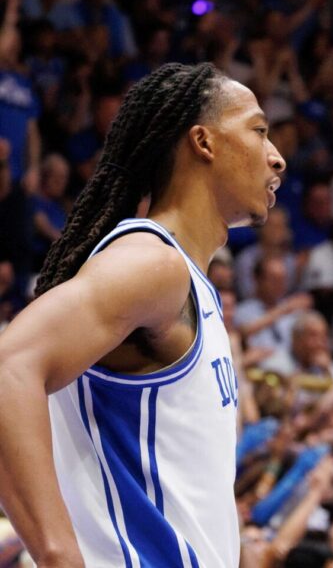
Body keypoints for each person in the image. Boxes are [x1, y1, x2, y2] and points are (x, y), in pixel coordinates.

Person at [0, 62, 285, 566]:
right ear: (204, 142)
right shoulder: (152, 263)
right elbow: (9, 366)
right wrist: (58, 553)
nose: (277, 156)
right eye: (259, 130)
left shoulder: (187, 284)